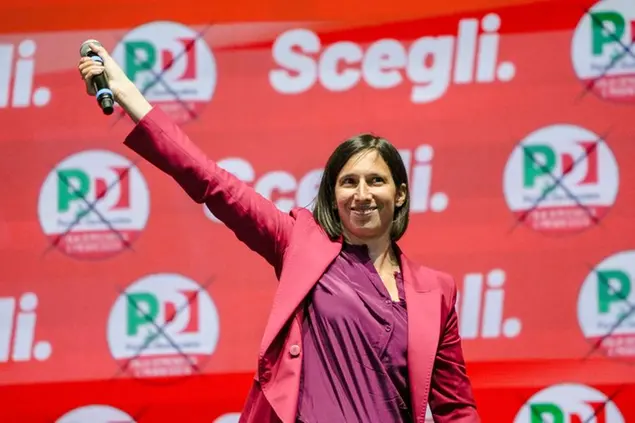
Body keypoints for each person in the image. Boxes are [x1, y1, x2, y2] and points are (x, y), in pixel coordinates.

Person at [77, 43, 480, 423]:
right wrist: (125, 90)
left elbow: (457, 409)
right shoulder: (299, 242)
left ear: (401, 193)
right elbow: (211, 181)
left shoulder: (435, 291)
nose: (362, 194)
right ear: (332, 194)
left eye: (376, 180)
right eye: (348, 182)